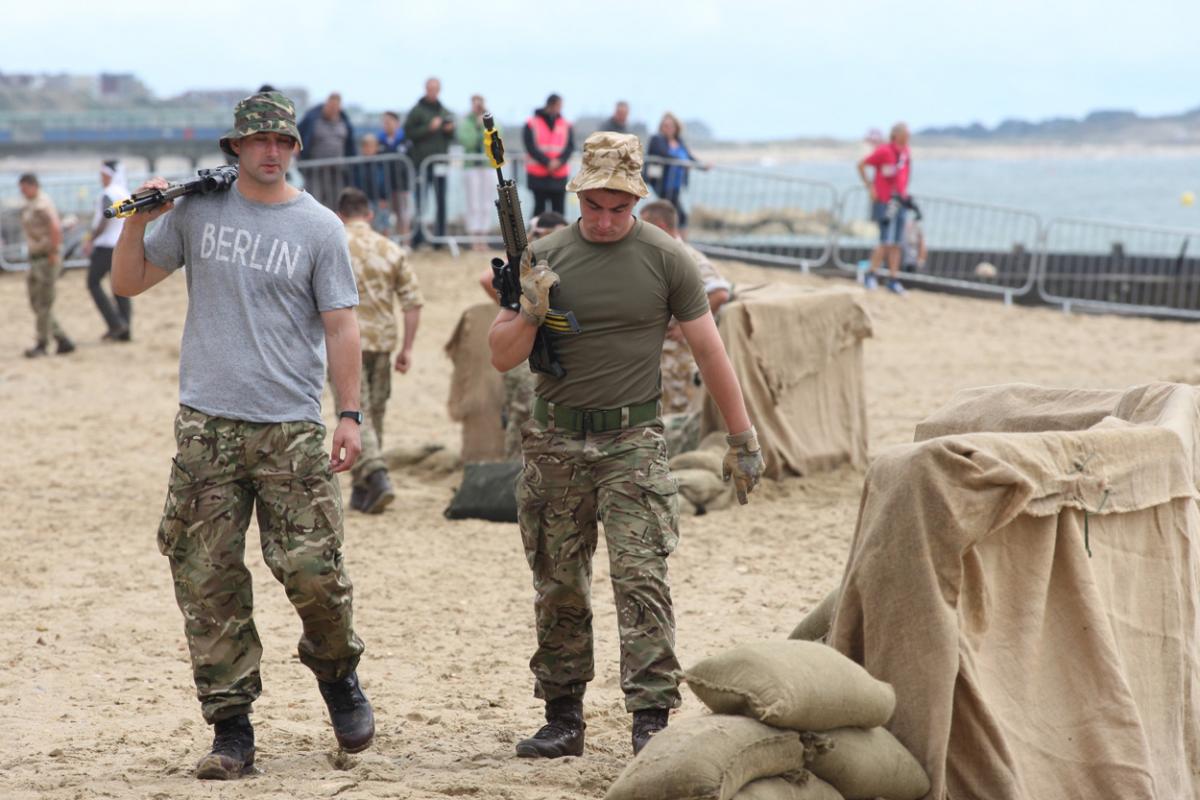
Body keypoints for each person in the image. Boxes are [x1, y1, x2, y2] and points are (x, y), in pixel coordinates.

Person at [111, 91, 375, 780]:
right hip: (207, 424)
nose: (269, 151)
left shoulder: (318, 228)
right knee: (207, 577)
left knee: (314, 573)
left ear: (294, 149)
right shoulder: (198, 209)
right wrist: (143, 218)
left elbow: (343, 325)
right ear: (236, 147)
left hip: (290, 425)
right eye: (256, 141)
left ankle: (338, 676)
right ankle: (232, 729)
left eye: (281, 142)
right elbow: (129, 280)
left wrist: (349, 414)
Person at [488, 132, 764, 758]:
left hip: (633, 440)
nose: (607, 220)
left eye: (620, 208)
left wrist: (743, 437)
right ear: (577, 195)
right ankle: (563, 718)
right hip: (555, 439)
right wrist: (530, 310)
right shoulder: (541, 255)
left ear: (637, 200)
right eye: (595, 207)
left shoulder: (668, 258)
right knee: (558, 581)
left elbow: (710, 348)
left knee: (641, 579)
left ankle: (651, 720)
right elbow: (502, 354)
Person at [336, 186, 424, 512]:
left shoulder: (334, 243)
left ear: (339, 214)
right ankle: (363, 490)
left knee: (353, 413)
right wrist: (408, 348)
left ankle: (375, 473)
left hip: (345, 343)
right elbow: (413, 302)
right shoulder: (390, 249)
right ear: (370, 214)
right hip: (383, 342)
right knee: (376, 413)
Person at [477, 211, 568, 460]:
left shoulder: (531, 259)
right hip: (536, 349)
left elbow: (486, 279)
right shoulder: (550, 258)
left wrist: (512, 307)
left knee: (519, 420)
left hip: (524, 346)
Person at [639, 199, 732, 415]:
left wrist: (684, 326)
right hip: (658, 357)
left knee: (675, 414)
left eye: (644, 226)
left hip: (677, 360)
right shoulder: (657, 255)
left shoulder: (686, 256)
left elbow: (719, 292)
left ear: (660, 227)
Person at [18, 173, 74, 358]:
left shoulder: (42, 204)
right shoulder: (32, 203)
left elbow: (55, 227)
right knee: (36, 302)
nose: (22, 192)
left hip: (45, 259)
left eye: (24, 188)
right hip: (36, 258)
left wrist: (53, 252)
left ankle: (43, 343)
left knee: (44, 304)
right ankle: (61, 338)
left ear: (32, 186)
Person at [857, 122, 912, 294]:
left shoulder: (906, 152)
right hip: (884, 201)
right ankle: (871, 275)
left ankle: (893, 279)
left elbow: (904, 175)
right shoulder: (884, 151)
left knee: (897, 242)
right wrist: (870, 187)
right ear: (897, 134)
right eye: (906, 133)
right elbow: (861, 165)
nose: (908, 136)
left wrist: (904, 195)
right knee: (884, 241)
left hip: (899, 201)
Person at [83, 160, 133, 341]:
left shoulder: (108, 193)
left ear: (109, 175)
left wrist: (90, 239)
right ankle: (125, 330)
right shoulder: (125, 192)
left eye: (102, 175)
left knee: (93, 283)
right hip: (122, 244)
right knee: (120, 287)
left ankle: (115, 323)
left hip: (105, 246)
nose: (100, 178)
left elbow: (104, 219)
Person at [405, 77, 456, 248]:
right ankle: (418, 237)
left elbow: (452, 138)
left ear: (439, 90)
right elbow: (409, 133)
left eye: (435, 88)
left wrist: (449, 131)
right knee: (420, 201)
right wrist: (429, 128)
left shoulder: (445, 111)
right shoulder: (416, 111)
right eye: (430, 88)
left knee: (441, 201)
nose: (432, 91)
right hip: (422, 163)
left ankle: (439, 239)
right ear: (425, 89)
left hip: (440, 163)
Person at [646, 113, 706, 232]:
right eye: (664, 126)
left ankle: (675, 242)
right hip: (662, 182)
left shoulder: (679, 142)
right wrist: (682, 162)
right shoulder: (657, 139)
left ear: (676, 127)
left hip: (676, 184)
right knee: (678, 215)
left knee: (670, 214)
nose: (667, 128)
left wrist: (702, 166)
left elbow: (689, 157)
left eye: (670, 126)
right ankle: (679, 244)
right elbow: (663, 154)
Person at [297, 92, 358, 208]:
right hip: (315, 170)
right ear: (326, 105)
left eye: (336, 108)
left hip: (337, 171)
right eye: (331, 107)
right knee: (314, 201)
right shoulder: (312, 118)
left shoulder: (344, 121)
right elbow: (299, 134)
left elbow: (350, 145)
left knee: (336, 201)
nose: (333, 110)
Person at [522, 94, 574, 216]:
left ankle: (559, 235)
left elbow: (570, 147)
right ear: (551, 105)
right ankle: (536, 235)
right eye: (559, 105)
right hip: (538, 174)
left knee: (559, 211)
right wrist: (547, 162)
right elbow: (530, 147)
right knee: (539, 209)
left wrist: (559, 162)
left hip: (559, 175)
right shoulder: (531, 123)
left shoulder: (566, 124)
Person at [458, 94, 496, 251]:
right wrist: (478, 128)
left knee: (486, 203)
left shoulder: (492, 119)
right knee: (473, 203)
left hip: (487, 166)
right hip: (471, 167)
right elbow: (466, 141)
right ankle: (474, 238)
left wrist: (485, 126)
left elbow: (495, 137)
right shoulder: (466, 121)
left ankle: (484, 238)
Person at [377, 111, 411, 238]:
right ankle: (387, 242)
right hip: (384, 185)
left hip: (402, 185)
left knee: (403, 214)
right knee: (385, 215)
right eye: (384, 122)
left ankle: (405, 241)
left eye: (389, 122)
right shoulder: (379, 141)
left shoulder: (405, 140)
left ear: (396, 123)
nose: (386, 125)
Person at [353, 134, 391, 233]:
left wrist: (384, 197)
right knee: (367, 225)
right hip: (365, 201)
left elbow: (385, 182)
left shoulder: (381, 163)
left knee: (383, 225)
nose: (368, 149)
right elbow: (356, 183)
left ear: (376, 147)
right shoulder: (358, 165)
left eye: (371, 146)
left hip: (380, 200)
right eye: (366, 146)